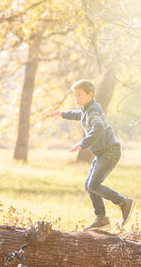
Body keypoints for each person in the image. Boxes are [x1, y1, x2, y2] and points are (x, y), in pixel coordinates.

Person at [51, 79, 135, 230]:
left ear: (90, 95)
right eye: (75, 95)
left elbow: (98, 129)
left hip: (109, 153)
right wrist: (62, 114)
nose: (76, 98)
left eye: (79, 95)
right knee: (89, 186)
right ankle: (102, 219)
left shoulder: (94, 110)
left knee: (93, 185)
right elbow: (78, 115)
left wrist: (82, 144)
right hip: (102, 154)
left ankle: (123, 202)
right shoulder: (86, 109)